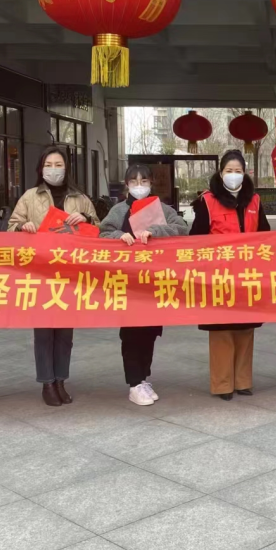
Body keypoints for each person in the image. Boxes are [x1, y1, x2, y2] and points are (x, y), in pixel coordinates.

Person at [7, 145, 98, 407]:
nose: (54, 170)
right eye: (48, 165)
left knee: (65, 332)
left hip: (69, 273)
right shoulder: (29, 196)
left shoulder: (79, 197)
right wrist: (22, 226)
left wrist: (86, 218)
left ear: (66, 168)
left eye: (58, 165)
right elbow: (10, 228)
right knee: (44, 331)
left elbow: (98, 229)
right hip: (40, 272)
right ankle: (47, 382)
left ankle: (61, 380)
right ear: (41, 169)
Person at [99, 164, 188, 406]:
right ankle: (133, 383)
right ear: (126, 185)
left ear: (151, 184)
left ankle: (143, 378)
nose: (139, 186)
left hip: (154, 283)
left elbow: (182, 228)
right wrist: (119, 236)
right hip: (127, 283)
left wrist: (155, 230)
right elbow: (102, 233)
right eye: (134, 182)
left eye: (144, 181)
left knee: (150, 332)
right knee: (131, 334)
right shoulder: (119, 210)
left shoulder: (162, 209)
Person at [191, 150, 270, 400]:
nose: (233, 175)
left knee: (246, 329)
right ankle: (223, 384)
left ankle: (243, 381)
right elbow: (195, 239)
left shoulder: (254, 200)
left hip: (247, 275)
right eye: (229, 171)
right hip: (218, 277)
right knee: (222, 330)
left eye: (238, 171)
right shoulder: (207, 201)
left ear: (245, 173)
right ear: (220, 172)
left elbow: (266, 234)